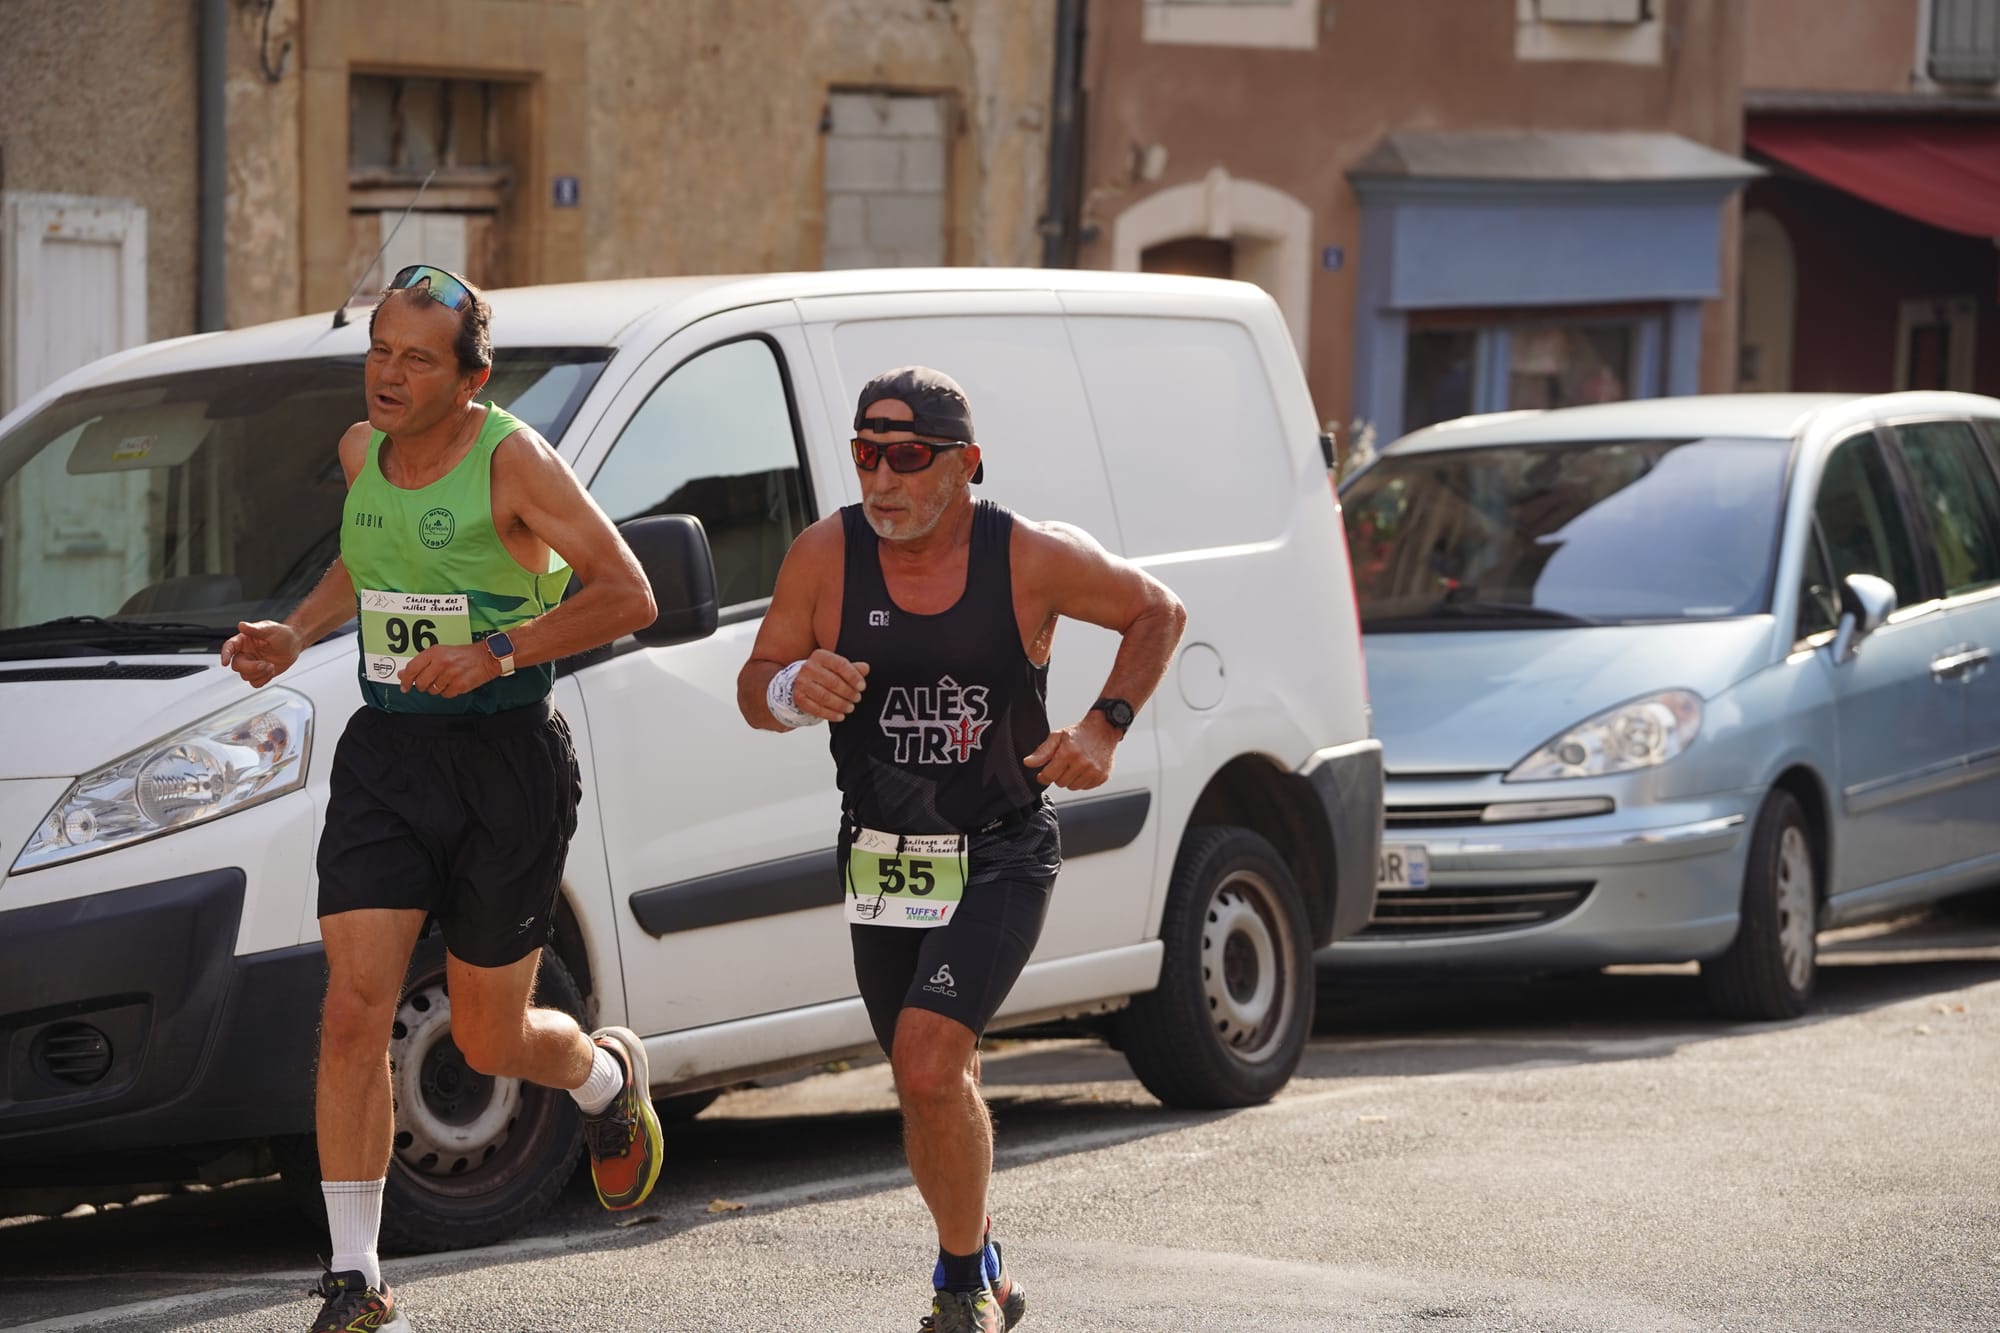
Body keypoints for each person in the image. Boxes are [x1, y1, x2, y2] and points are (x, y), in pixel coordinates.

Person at [222, 265, 662, 1333]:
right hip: (388, 757)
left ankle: (603, 1077)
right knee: (350, 1012)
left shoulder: (516, 462)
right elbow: (362, 556)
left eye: (417, 357)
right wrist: (297, 628)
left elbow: (627, 592)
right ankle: (358, 1277)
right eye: (379, 348)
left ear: (471, 378)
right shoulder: (358, 449)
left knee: (486, 1036)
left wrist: (495, 650)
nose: (388, 373)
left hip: (506, 762)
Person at [737, 366, 1187, 1332]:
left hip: (1000, 845)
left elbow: (1159, 610)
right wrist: (789, 692)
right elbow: (756, 681)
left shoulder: (1026, 555)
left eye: (908, 458)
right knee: (932, 1077)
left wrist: (1104, 726)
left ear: (965, 464)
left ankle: (957, 1284)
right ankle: (986, 1261)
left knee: (930, 1059)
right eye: (867, 456)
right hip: (882, 855)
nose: (883, 480)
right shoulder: (826, 554)